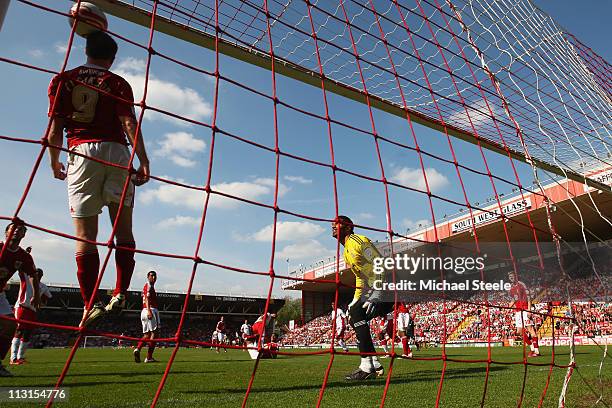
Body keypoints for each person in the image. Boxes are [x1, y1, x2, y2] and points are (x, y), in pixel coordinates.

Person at [46, 30, 150, 327]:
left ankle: (91, 303)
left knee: (85, 237)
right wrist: (143, 160)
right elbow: (128, 122)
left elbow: (55, 128)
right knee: (124, 231)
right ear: (112, 57)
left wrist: (54, 161)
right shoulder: (117, 82)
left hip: (81, 153)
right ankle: (120, 291)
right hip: (117, 152)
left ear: (86, 50)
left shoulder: (63, 80)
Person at [332, 215, 389, 380]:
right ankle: (374, 363)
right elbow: (360, 277)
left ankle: (367, 366)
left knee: (357, 314)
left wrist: (377, 294)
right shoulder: (346, 251)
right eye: (332, 224)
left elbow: (380, 262)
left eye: (337, 224)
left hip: (387, 286)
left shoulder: (358, 241)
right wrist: (355, 300)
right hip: (372, 288)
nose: (333, 226)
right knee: (354, 315)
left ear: (348, 227)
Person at [0, 219, 40, 377]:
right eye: (14, 227)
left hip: (0, 294)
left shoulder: (23, 256)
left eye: (21, 229)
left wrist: (36, 295)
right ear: (6, 232)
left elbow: (33, 274)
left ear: (24, 234)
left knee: (10, 326)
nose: (18, 230)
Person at [11, 267, 52, 364]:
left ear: (42, 275)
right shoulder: (26, 278)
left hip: (33, 311)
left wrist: (41, 303)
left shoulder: (43, 287)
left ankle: (20, 357)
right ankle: (13, 358)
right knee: (19, 331)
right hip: (22, 308)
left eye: (40, 273)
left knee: (27, 334)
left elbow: (48, 298)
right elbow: (20, 269)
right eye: (36, 273)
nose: (38, 274)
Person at [509, 270, 540, 357]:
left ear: (516, 276)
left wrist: (529, 310)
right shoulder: (512, 288)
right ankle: (532, 348)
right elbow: (514, 299)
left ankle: (536, 351)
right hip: (518, 311)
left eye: (512, 276)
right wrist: (508, 306)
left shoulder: (521, 285)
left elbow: (529, 297)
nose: (511, 278)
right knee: (519, 332)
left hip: (525, 310)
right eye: (510, 277)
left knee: (530, 330)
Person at [134, 271, 159, 363]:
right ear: (148, 277)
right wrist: (149, 310)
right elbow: (147, 298)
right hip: (150, 310)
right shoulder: (149, 286)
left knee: (146, 335)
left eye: (155, 276)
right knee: (154, 334)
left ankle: (137, 349)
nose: (154, 277)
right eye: (151, 275)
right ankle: (149, 357)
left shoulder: (146, 286)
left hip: (143, 311)